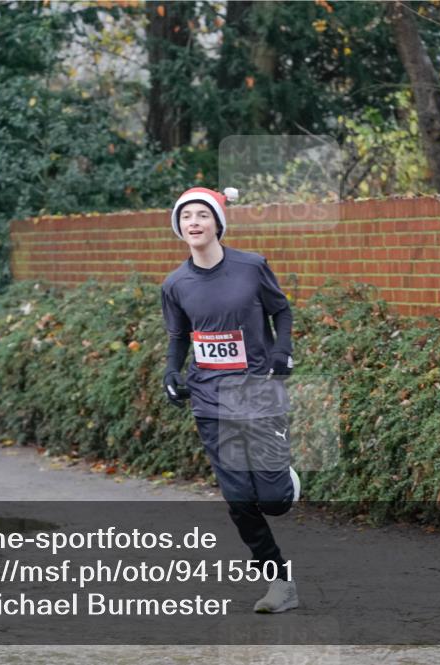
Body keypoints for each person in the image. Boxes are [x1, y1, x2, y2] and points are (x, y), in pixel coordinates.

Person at [161, 186, 301, 614]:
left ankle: (285, 481)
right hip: (210, 398)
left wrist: (281, 351)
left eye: (203, 215)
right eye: (187, 217)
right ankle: (279, 584)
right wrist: (172, 371)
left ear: (218, 222)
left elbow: (282, 311)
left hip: (257, 391)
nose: (194, 223)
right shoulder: (175, 284)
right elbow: (179, 336)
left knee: (274, 502)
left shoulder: (251, 267)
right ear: (179, 227)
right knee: (240, 501)